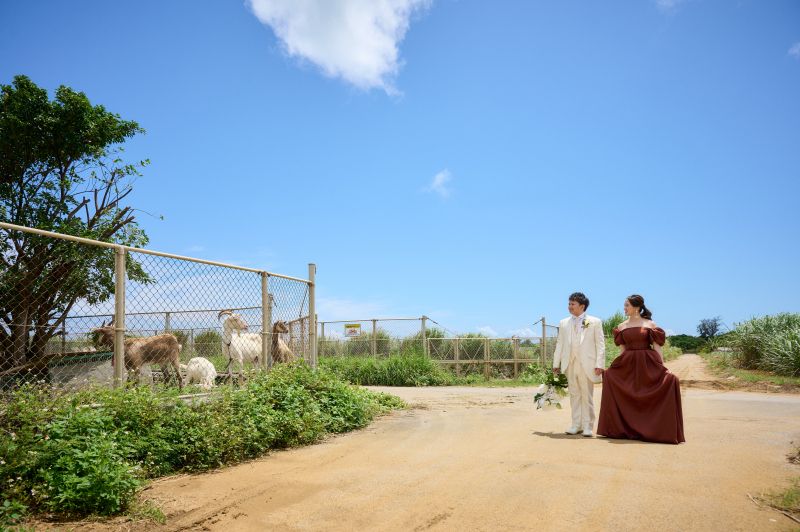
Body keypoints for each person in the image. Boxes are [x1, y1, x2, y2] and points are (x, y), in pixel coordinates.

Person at [597, 295, 685, 444]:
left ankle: (654, 428)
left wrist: (663, 369)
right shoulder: (621, 326)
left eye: (627, 305)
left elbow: (657, 348)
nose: (624, 308)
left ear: (636, 307)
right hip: (628, 363)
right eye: (624, 305)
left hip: (647, 362)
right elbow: (622, 351)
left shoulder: (650, 324)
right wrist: (613, 368)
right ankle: (624, 428)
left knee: (671, 380)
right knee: (615, 383)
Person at [552, 292, 605, 437]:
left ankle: (588, 427)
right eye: (569, 304)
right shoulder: (564, 322)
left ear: (582, 306)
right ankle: (576, 424)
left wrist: (600, 363)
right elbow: (560, 343)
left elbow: (600, 344)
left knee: (586, 395)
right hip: (569, 363)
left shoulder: (594, 321)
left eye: (572, 304)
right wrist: (556, 363)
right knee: (574, 395)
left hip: (587, 363)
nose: (569, 306)